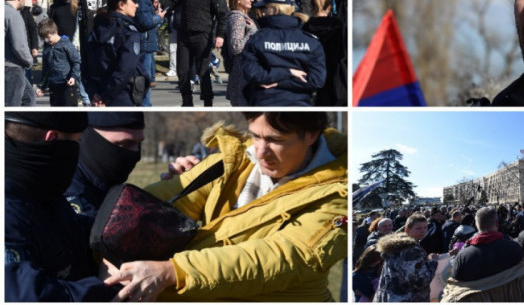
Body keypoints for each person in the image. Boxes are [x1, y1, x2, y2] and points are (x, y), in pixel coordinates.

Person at [102, 112, 347, 301]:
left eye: (275, 140)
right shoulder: (231, 162)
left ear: (312, 135)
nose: (260, 151)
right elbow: (144, 209)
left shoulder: (342, 193)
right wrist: (106, 249)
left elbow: (285, 257)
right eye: (256, 135)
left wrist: (174, 271)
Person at [5, 112, 117, 301]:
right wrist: (109, 286)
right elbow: (26, 295)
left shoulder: (41, 193)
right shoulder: (10, 207)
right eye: (77, 142)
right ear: (53, 139)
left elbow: (78, 232)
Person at [242, 0, 326, 106]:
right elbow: (316, 80)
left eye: (264, 8)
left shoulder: (257, 40)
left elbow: (255, 76)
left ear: (273, 9)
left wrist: (278, 81)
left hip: (264, 103)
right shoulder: (311, 41)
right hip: (300, 106)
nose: (262, 12)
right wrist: (289, 72)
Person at [160, 0, 227, 106]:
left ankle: (208, 101)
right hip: (184, 36)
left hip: (203, 36)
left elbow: (223, 15)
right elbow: (171, 2)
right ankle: (187, 100)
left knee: (203, 72)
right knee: (182, 71)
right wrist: (158, 0)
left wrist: (220, 35)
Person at [442, 206, 524, 302]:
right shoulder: (514, 248)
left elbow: (454, 289)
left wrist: (453, 256)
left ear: (476, 225)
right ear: (497, 224)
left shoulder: (463, 257)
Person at [65, 112, 145, 220]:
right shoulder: (67, 187)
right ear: (93, 140)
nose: (136, 153)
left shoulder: (105, 181)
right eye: (125, 143)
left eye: (139, 143)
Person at [82, 0, 149, 106]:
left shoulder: (97, 29)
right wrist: (106, 97)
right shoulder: (128, 32)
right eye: (133, 1)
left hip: (98, 95)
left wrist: (94, 94)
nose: (137, 5)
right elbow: (125, 69)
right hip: (121, 95)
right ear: (121, 5)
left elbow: (86, 66)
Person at [373, 214, 439, 302]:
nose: (423, 231)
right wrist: (433, 262)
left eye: (425, 227)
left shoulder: (393, 247)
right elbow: (421, 281)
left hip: (390, 298)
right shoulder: (412, 250)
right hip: (409, 298)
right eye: (418, 228)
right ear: (407, 230)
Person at [130, 0, 167, 106]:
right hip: (142, 42)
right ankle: (144, 107)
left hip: (142, 41)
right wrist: (159, 17)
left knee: (142, 81)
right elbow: (144, 21)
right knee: (142, 81)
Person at [302, 0, 347, 106]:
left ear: (311, 8)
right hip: (335, 80)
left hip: (311, 80)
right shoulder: (339, 28)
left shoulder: (303, 29)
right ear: (329, 8)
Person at [223, 0, 258, 106]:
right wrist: (252, 32)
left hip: (245, 69)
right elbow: (236, 47)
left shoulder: (244, 16)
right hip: (240, 70)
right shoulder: (237, 18)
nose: (252, 0)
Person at [35, 19, 81, 106]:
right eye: (44, 38)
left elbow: (76, 62)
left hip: (67, 84)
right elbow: (46, 70)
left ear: (55, 32)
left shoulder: (66, 44)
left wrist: (73, 76)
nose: (47, 40)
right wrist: (41, 86)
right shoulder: (47, 49)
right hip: (53, 85)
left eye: (48, 37)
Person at [5, 0, 35, 106]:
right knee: (12, 106)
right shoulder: (13, 15)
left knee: (29, 96)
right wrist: (29, 61)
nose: (26, 1)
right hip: (12, 68)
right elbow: (19, 47)